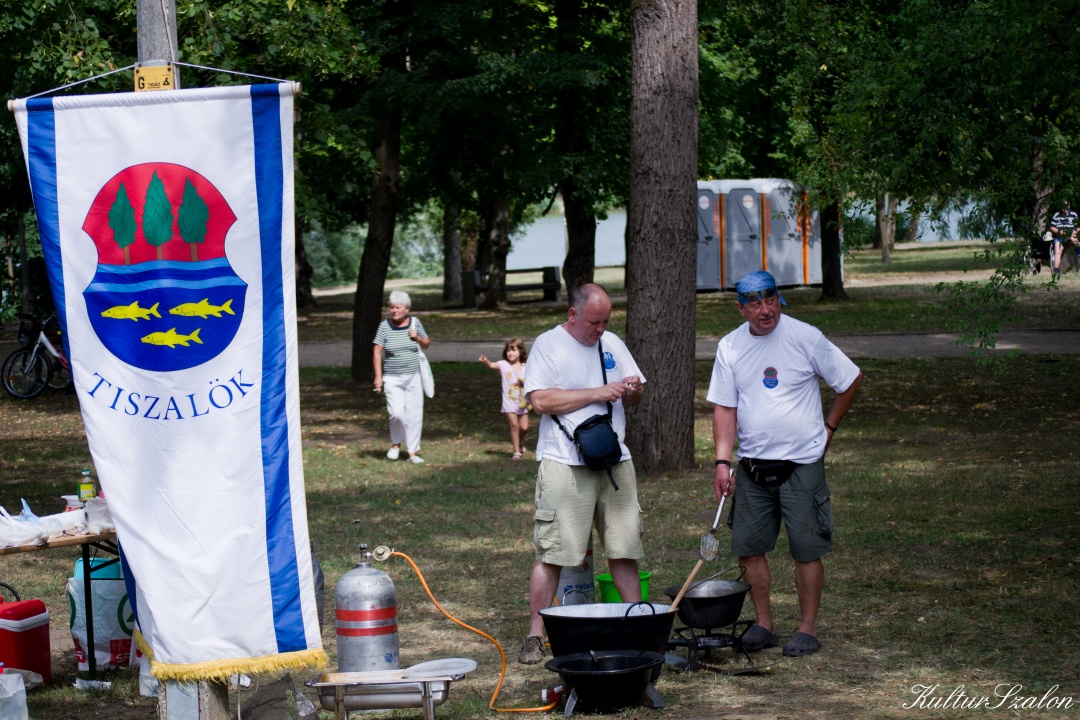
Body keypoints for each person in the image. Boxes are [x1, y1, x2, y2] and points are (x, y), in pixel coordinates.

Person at [708, 271, 862, 658]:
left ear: (779, 299)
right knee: (748, 548)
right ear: (741, 308)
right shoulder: (730, 347)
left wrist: (829, 428)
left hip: (802, 464)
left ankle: (807, 629)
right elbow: (725, 408)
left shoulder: (805, 337)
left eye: (771, 301)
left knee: (806, 550)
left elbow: (849, 379)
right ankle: (764, 624)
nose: (766, 311)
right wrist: (723, 461)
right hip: (752, 467)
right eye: (756, 304)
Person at [517, 283, 646, 664]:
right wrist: (597, 392)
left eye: (606, 321)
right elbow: (540, 400)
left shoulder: (612, 344)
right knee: (553, 552)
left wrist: (632, 389)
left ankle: (639, 625)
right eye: (594, 322)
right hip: (564, 464)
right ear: (572, 314)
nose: (600, 329)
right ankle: (535, 635)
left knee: (624, 547)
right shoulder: (549, 345)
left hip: (614, 461)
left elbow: (636, 394)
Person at [373, 290, 431, 464]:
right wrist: (378, 377)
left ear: (407, 309)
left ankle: (412, 452)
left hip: (413, 375)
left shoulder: (415, 323)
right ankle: (396, 443)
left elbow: (427, 344)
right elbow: (377, 353)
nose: (394, 311)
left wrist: (417, 337)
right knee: (396, 413)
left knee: (414, 414)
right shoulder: (384, 327)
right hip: (392, 377)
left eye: (397, 307)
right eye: (391, 307)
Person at [478, 338, 531, 460]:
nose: (510, 353)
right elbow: (491, 365)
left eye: (514, 350)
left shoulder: (526, 367)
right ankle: (516, 452)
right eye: (508, 350)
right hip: (509, 402)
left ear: (521, 352)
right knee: (514, 425)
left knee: (524, 427)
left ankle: (518, 442)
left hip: (522, 403)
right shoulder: (503, 365)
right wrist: (486, 361)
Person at [1048, 201, 1078, 277]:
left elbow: (1078, 227)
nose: (1065, 209)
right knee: (1057, 251)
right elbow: (1052, 227)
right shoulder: (1057, 215)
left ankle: (1078, 259)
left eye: (1066, 207)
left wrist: (1074, 232)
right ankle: (1056, 270)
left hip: (1071, 235)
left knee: (1077, 244)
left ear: (1069, 206)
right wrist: (1060, 232)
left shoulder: (1073, 214)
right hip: (1060, 236)